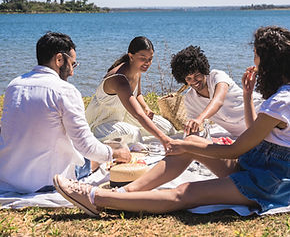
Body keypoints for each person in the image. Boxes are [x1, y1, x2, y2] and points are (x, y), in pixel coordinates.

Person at [53, 26, 290, 216]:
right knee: (192, 143)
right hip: (255, 165)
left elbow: (235, 150)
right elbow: (252, 132)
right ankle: (127, 191)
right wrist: (248, 95)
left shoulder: (281, 100)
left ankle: (95, 198)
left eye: (256, 55)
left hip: (268, 183)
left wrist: (185, 144)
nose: (254, 60)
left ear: (269, 62)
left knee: (183, 192)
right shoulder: (278, 96)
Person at [0, 32, 130, 193]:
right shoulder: (65, 91)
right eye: (73, 64)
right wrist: (114, 153)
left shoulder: (14, 85)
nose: (72, 72)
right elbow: (86, 146)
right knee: (90, 159)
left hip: (6, 178)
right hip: (45, 181)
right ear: (59, 60)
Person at [85, 36, 176, 149]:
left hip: (122, 116)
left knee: (167, 128)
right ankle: (99, 140)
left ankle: (124, 137)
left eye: (150, 59)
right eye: (143, 58)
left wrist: (146, 107)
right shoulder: (119, 80)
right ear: (131, 56)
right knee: (134, 134)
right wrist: (164, 139)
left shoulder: (137, 71)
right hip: (100, 123)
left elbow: (137, 94)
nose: (147, 63)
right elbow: (138, 114)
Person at [170, 45, 263, 137]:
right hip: (242, 135)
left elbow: (218, 101)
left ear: (203, 70)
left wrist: (200, 119)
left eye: (197, 75)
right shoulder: (190, 99)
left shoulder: (217, 76)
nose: (194, 81)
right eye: (189, 78)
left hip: (261, 113)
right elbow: (194, 128)